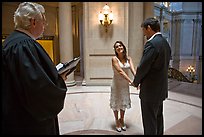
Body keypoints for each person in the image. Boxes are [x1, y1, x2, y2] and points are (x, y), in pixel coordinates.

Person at [2, 2, 69, 135]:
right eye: (43, 22)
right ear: (33, 22)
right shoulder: (24, 45)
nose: (44, 27)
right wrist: (59, 80)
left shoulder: (11, 42)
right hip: (28, 122)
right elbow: (38, 89)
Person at [131, 17, 171, 135]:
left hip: (150, 90)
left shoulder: (152, 44)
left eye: (144, 30)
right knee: (158, 117)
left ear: (149, 28)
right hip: (161, 89)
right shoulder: (165, 43)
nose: (144, 34)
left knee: (149, 121)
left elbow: (143, 66)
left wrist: (136, 81)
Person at [110, 41, 136, 132]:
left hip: (124, 85)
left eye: (120, 45)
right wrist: (131, 81)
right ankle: (117, 121)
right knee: (116, 102)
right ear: (115, 50)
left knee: (124, 101)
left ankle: (122, 119)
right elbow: (120, 72)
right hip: (116, 84)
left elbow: (133, 70)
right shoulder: (114, 59)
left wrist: (137, 80)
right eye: (116, 46)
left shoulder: (129, 59)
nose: (119, 47)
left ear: (123, 47)